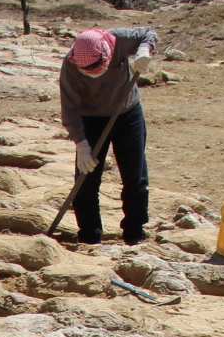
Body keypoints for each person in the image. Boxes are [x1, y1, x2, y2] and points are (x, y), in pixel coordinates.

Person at [59, 26, 156, 246]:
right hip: (90, 119)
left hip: (127, 112)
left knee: (135, 175)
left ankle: (134, 232)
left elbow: (148, 34)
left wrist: (144, 50)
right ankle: (89, 236)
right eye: (87, 70)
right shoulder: (70, 65)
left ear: (106, 53)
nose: (93, 73)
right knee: (86, 179)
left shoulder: (118, 40)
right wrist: (81, 143)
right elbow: (69, 108)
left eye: (96, 67)